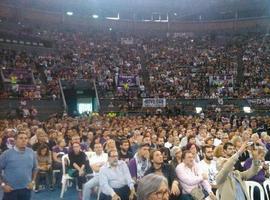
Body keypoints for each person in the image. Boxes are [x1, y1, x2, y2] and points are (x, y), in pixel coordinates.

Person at [0, 131, 37, 200]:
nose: (24, 140)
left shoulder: (31, 152)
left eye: (26, 138)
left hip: (26, 189)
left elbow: (35, 168)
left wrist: (33, 181)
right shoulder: (6, 154)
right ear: (15, 140)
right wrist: (3, 185)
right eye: (21, 138)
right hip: (10, 189)